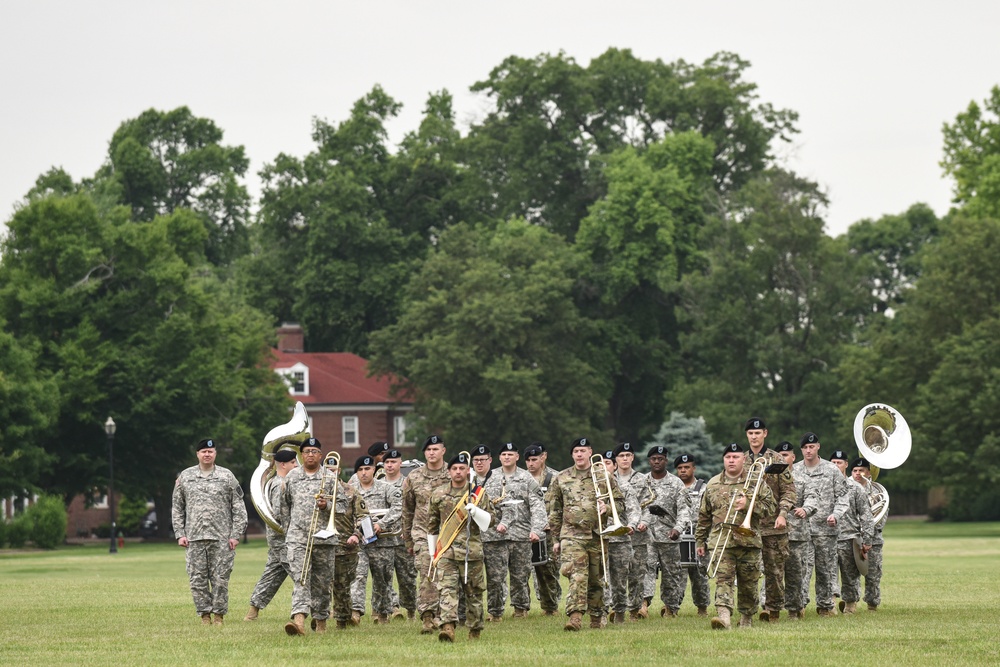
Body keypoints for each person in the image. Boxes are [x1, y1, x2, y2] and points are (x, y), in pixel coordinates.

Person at [548, 437, 625, 631]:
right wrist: (556, 539)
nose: (579, 454)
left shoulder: (604, 476)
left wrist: (606, 507)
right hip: (571, 535)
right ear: (572, 454)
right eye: (576, 451)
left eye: (583, 450)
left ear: (590, 452)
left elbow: (620, 503)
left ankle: (597, 617)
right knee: (577, 575)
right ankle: (575, 616)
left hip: (597, 534)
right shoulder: (562, 478)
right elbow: (554, 510)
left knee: (596, 578)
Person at [696, 443, 776, 630]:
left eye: (735, 457)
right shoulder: (713, 484)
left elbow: (771, 508)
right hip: (722, 540)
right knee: (724, 580)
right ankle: (724, 617)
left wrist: (750, 504)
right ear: (724, 460)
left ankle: (746, 618)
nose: (731, 461)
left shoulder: (756, 481)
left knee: (749, 583)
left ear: (743, 459)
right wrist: (700, 540)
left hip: (749, 541)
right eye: (728, 457)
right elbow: (704, 515)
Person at [171, 438, 248, 625]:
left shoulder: (227, 476)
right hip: (194, 538)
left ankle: (219, 615)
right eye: (203, 451)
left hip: (222, 538)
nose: (207, 454)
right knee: (197, 580)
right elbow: (177, 507)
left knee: (220, 579)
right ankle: (205, 615)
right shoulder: (186, 477)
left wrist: (236, 534)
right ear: (197, 454)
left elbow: (239, 508)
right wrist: (180, 533)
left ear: (215, 454)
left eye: (210, 451)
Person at [426, 452, 497, 642]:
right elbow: (432, 525)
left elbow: (491, 522)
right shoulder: (439, 494)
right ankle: (447, 627)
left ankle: (475, 630)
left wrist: (477, 512)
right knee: (447, 591)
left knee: (473, 593)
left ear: (468, 471)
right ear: (449, 471)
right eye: (454, 468)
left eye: (462, 468)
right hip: (446, 552)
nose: (458, 472)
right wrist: (434, 554)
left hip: (471, 552)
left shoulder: (477, 494)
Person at [480, 442, 546, 620]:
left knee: (520, 574)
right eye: (504, 455)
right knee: (495, 576)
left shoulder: (526, 478)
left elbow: (537, 504)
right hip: (494, 535)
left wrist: (536, 529)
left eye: (511, 454)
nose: (507, 457)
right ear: (499, 458)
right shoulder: (489, 477)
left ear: (517, 457)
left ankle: (520, 608)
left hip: (520, 534)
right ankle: (495, 612)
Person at [279, 437, 337, 635]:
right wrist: (288, 531)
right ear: (301, 455)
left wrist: (327, 505)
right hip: (298, 538)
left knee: (322, 582)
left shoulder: (330, 478)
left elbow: (344, 506)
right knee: (301, 578)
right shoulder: (292, 476)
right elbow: (284, 506)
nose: (310, 454)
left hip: (324, 538)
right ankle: (299, 621)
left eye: (314, 451)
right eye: (306, 451)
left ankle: (320, 622)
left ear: (320, 455)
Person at [743, 417, 797, 623]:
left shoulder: (778, 460)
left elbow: (789, 492)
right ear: (747, 435)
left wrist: (783, 514)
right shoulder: (741, 460)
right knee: (748, 571)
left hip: (774, 526)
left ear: (765, 434)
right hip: (749, 526)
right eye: (750, 433)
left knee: (774, 571)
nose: (754, 436)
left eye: (758, 433)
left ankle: (772, 610)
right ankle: (748, 609)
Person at [401, 434, 450, 634]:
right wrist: (408, 540)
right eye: (428, 450)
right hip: (422, 533)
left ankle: (444, 614)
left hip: (448, 533)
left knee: (445, 575)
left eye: (435, 449)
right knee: (427, 572)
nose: (431, 453)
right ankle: (428, 617)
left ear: (443, 451)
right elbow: (407, 509)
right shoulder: (414, 477)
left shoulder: (453, 473)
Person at [797, 432, 848, 617]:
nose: (808, 450)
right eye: (805, 448)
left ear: (818, 446)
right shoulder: (795, 471)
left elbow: (843, 496)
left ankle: (825, 606)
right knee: (802, 569)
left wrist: (837, 514)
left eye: (811, 447)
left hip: (826, 529)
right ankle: (799, 605)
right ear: (801, 449)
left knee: (826, 569)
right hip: (802, 530)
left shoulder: (831, 469)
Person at [245, 448, 298, 621]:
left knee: (272, 573)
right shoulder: (279, 485)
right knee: (301, 574)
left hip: (281, 538)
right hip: (284, 538)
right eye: (293, 462)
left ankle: (252, 611)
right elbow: (280, 514)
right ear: (282, 464)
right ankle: (322, 610)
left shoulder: (283, 482)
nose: (297, 465)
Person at [350, 455, 402, 624]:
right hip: (359, 543)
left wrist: (381, 523)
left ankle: (383, 613)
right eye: (360, 470)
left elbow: (398, 507)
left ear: (374, 469)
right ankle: (355, 612)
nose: (364, 473)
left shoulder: (386, 488)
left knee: (383, 578)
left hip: (382, 543)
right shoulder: (350, 490)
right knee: (358, 576)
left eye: (367, 469)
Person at [643, 445, 688, 618]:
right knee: (645, 569)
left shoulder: (676, 483)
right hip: (646, 536)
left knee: (671, 574)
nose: (656, 461)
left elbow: (684, 510)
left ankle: (670, 608)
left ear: (666, 461)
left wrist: (678, 528)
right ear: (649, 461)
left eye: (660, 459)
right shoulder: (643, 482)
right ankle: (643, 605)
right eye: (653, 459)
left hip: (669, 536)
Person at [776, 441, 819, 620]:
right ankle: (770, 608)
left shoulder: (802, 480)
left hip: (797, 535)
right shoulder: (768, 480)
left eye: (786, 455)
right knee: (773, 573)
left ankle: (794, 610)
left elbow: (812, 498)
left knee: (795, 574)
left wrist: (806, 509)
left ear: (793, 458)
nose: (783, 459)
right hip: (774, 533)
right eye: (779, 456)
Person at [613, 442, 653, 620]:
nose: (625, 458)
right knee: (616, 574)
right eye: (621, 456)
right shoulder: (609, 478)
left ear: (633, 458)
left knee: (636, 574)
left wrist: (644, 521)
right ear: (616, 459)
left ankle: (635, 609)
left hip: (638, 535)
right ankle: (615, 606)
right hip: (615, 535)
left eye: (628, 455)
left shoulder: (642, 479)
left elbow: (648, 505)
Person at [524, 443, 563, 616]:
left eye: (534, 459)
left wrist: (554, 524)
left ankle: (551, 605)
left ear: (543, 457)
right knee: (530, 570)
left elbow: (562, 504)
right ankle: (531, 605)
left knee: (549, 569)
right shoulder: (522, 478)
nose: (531, 463)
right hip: (527, 530)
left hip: (549, 531)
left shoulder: (556, 477)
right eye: (528, 460)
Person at [602, 449, 638, 624]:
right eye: (601, 465)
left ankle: (619, 613)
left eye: (608, 463)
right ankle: (600, 612)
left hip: (621, 539)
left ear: (614, 466)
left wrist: (631, 525)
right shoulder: (591, 488)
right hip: (599, 539)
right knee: (600, 578)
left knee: (619, 580)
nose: (604, 467)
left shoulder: (624, 487)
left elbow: (633, 509)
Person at [381, 448, 417, 620]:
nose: (390, 465)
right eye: (387, 462)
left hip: (403, 539)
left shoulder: (409, 483)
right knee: (384, 578)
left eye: (393, 462)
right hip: (383, 540)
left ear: (400, 464)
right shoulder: (377, 483)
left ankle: (411, 610)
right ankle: (389, 611)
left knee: (408, 578)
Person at [673, 453, 711, 617]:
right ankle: (672, 606)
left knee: (699, 574)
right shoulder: (673, 487)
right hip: (678, 536)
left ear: (693, 468)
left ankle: (702, 608)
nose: (683, 470)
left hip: (698, 537)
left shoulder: (704, 488)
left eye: (686, 467)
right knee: (676, 574)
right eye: (680, 468)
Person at [836, 457, 875, 615]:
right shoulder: (822, 485)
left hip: (849, 536)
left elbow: (866, 515)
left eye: (839, 462)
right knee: (826, 573)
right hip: (826, 536)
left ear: (845, 464)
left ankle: (850, 604)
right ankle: (827, 605)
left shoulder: (856, 488)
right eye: (832, 462)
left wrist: (867, 540)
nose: (835, 465)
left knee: (849, 574)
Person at [851, 459, 886, 611]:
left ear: (868, 472)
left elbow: (880, 518)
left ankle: (872, 604)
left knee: (873, 573)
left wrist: (867, 531)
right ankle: (851, 602)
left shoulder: (878, 493)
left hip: (874, 539)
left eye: (861, 470)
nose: (858, 474)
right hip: (853, 537)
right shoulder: (847, 489)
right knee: (851, 573)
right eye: (855, 471)